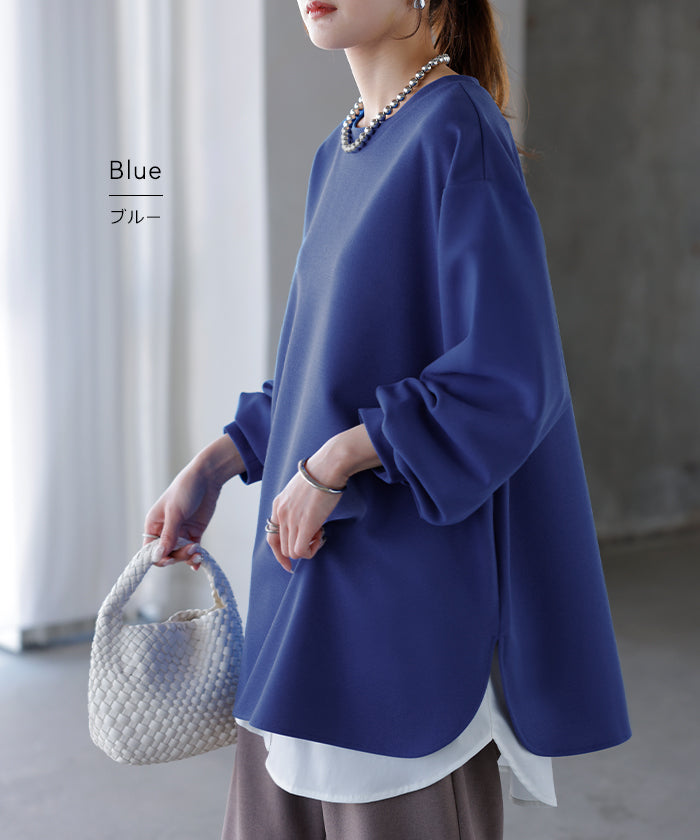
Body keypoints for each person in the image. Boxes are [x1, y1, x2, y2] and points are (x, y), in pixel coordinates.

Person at [143, 1, 631, 838]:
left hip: (399, 599)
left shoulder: (457, 128)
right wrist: (215, 465)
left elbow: (512, 376)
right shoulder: (340, 152)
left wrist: (335, 461)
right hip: (304, 584)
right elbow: (320, 370)